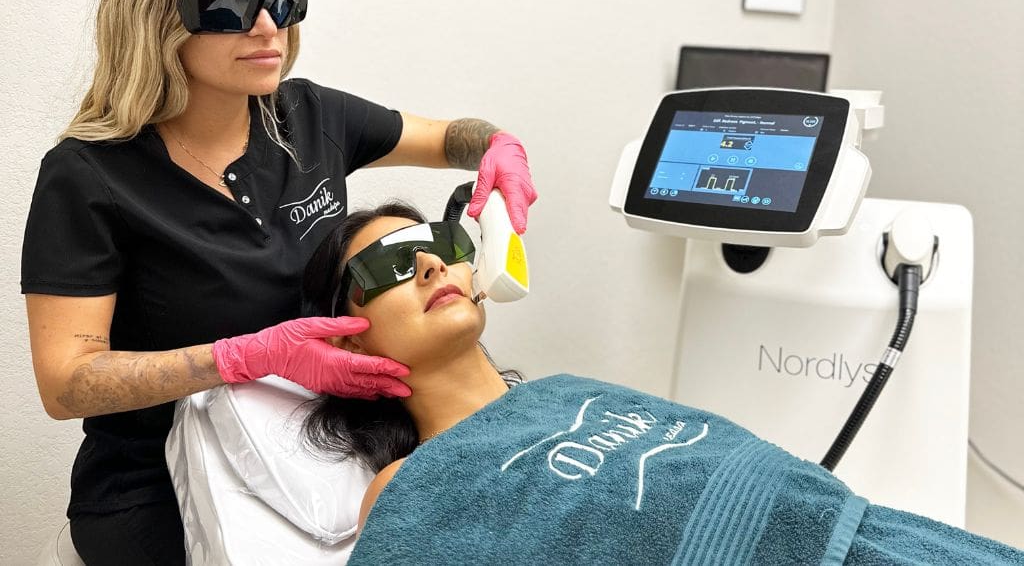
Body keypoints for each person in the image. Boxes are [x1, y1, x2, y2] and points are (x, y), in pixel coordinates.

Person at [20, 0, 536, 565]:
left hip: (332, 438)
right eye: (233, 4)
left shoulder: (308, 117)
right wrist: (242, 357)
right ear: (154, 18)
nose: (269, 26)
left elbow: (453, 138)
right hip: (158, 482)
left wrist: (500, 146)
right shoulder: (89, 177)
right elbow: (66, 384)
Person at [300, 203, 1024, 565]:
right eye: (392, 266)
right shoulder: (403, 485)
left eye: (444, 247)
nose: (432, 267)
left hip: (868, 536)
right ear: (342, 335)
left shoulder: (568, 390)